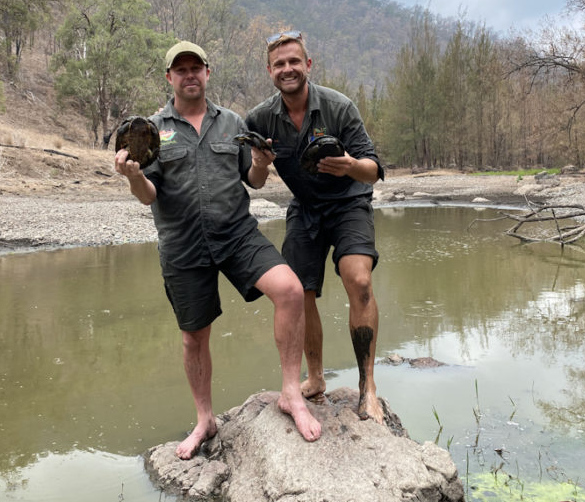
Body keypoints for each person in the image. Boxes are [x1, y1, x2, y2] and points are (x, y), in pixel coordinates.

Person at [114, 40, 321, 460]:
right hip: (183, 242)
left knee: (290, 290)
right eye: (181, 69)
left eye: (196, 68)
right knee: (194, 337)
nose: (189, 75)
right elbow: (148, 195)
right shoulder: (152, 130)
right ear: (169, 77)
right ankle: (205, 420)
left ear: (207, 73)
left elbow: (254, 180)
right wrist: (133, 176)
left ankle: (290, 393)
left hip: (236, 234)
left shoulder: (232, 123)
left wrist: (261, 162)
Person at [246, 30, 385, 424]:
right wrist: (259, 163)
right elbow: (255, 182)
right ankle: (316, 377)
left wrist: (349, 165)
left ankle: (368, 388)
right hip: (304, 208)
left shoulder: (339, 108)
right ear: (270, 71)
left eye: (294, 61)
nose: (287, 69)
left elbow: (373, 170)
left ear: (308, 65)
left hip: (349, 203)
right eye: (279, 64)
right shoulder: (260, 118)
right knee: (297, 291)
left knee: (359, 280)